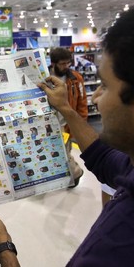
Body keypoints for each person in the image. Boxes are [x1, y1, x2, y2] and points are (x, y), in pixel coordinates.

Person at [0, 0, 134, 267]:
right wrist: (65, 109)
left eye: (104, 86)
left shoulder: (119, 253)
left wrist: (4, 246)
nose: (95, 98)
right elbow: (104, 158)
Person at [49, 47, 88, 187]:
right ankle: (70, 174)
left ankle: (75, 173)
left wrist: (80, 125)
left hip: (66, 124)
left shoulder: (76, 78)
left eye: (68, 63)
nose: (66, 66)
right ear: (53, 63)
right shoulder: (45, 77)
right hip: (49, 124)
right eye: (62, 63)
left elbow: (82, 102)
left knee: (64, 153)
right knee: (55, 154)